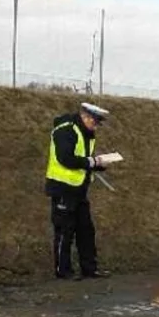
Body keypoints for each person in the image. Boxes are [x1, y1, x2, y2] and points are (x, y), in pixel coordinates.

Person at [45, 101, 112, 280]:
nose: (96, 126)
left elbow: (83, 159)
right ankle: (63, 270)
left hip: (79, 189)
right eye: (95, 122)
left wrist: (98, 165)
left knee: (86, 230)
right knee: (64, 231)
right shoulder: (65, 130)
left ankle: (89, 268)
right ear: (85, 117)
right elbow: (65, 158)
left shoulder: (86, 133)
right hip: (62, 188)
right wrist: (93, 162)